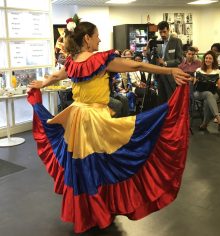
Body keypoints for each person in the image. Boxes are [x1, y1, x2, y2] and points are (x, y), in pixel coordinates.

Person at [27, 20, 190, 233]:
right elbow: (137, 65)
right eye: (96, 36)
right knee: (101, 162)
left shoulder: (73, 61)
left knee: (83, 164)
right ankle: (97, 211)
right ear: (87, 38)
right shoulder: (100, 60)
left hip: (76, 117)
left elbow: (57, 75)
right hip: (94, 118)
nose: (100, 39)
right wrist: (170, 71)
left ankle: (89, 211)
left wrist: (42, 83)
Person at [155, 21, 183, 104]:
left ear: (168, 30)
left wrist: (165, 63)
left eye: (164, 32)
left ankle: (172, 116)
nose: (162, 34)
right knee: (161, 99)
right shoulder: (158, 42)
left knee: (171, 99)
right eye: (160, 32)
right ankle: (164, 116)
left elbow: (179, 59)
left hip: (171, 75)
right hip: (159, 74)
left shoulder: (176, 41)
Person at [194, 50, 220, 131]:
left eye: (210, 58)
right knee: (207, 94)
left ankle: (204, 124)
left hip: (213, 92)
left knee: (208, 97)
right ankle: (217, 116)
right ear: (204, 59)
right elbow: (194, 84)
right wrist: (197, 81)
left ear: (213, 60)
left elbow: (219, 87)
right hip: (199, 92)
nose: (208, 60)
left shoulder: (217, 71)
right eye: (206, 58)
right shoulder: (198, 70)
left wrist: (213, 84)